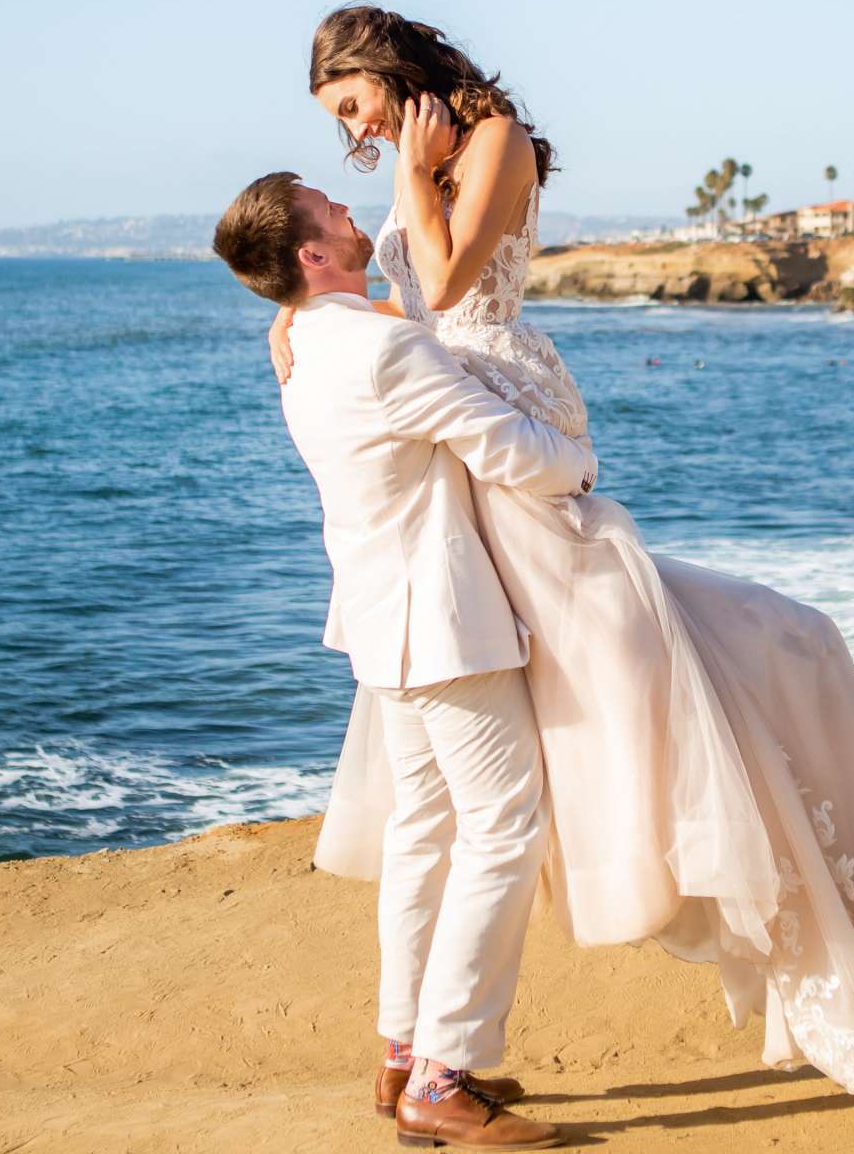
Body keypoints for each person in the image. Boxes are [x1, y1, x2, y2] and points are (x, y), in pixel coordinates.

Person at [280, 5, 854, 1098]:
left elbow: (454, 283)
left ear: (384, 69)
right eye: (341, 120)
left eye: (351, 103)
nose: (355, 131)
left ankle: (776, 912)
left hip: (502, 414)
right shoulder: (417, 162)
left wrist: (413, 181)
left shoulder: (489, 137)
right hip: (461, 438)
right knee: (496, 752)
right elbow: (400, 299)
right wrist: (307, 315)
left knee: (677, 656)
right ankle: (420, 1050)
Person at [214, 171, 582, 1150]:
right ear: (310, 254)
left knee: (426, 832)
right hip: (443, 624)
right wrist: (580, 461)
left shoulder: (301, 352)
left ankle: (397, 1052)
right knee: (504, 829)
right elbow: (508, 447)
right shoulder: (381, 345)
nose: (347, 209)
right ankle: (442, 1073)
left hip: (380, 626)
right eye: (329, 209)